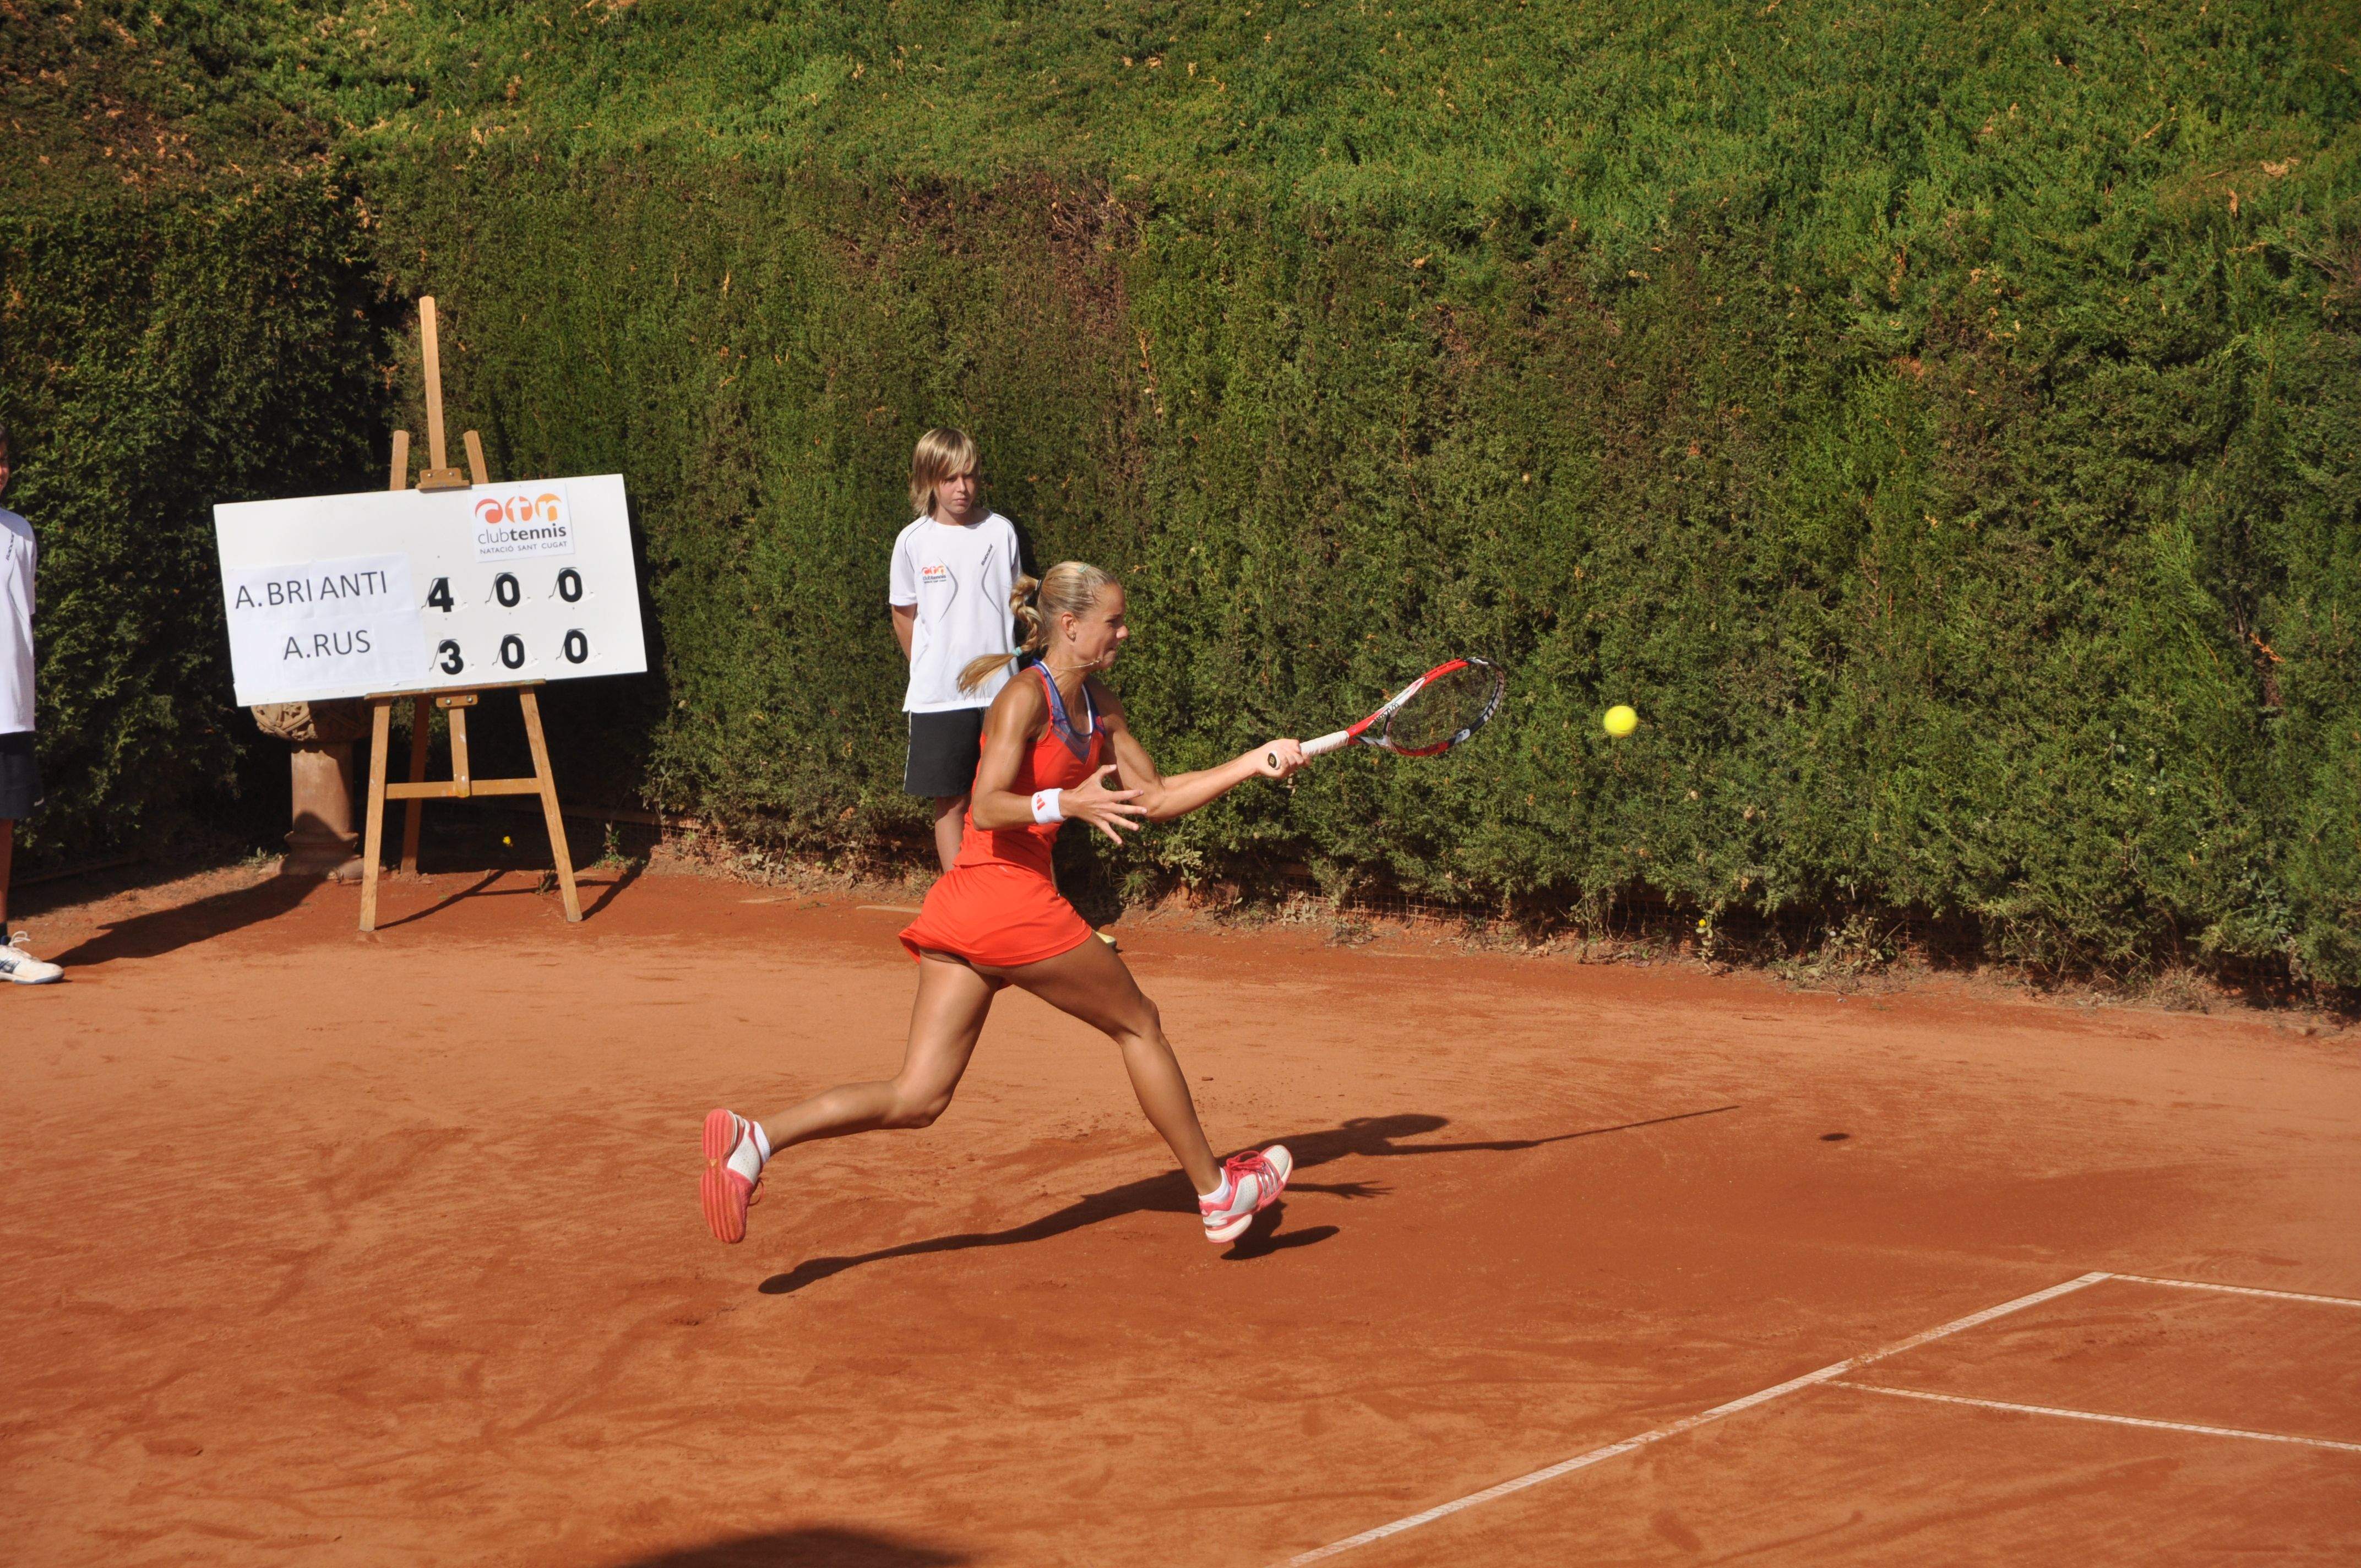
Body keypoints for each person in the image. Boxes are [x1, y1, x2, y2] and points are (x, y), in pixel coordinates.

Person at [704, 561, 1308, 1245]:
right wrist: (1065, 801)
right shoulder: (1024, 698)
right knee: (1138, 1023)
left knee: (918, 1096)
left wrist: (1251, 762)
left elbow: (1156, 796)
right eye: (1113, 621)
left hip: (969, 906)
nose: (1124, 631)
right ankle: (1218, 1193)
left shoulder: (1099, 704)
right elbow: (985, 807)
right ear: (1071, 626)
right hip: (1004, 896)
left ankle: (757, 1140)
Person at [889, 428, 1025, 873]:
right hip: (939, 698)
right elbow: (904, 615)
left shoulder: (1002, 531)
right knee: (950, 802)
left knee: (1010, 799)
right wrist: (931, 671)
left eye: (968, 476)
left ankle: (1023, 902)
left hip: (1002, 695)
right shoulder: (912, 541)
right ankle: (958, 900)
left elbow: (1017, 604)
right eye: (949, 478)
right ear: (928, 479)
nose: (962, 488)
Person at [0, 422, 64, 984]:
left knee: (3, 819)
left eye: (1, 458)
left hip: (10, 706)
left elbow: (24, 619)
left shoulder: (20, 532)